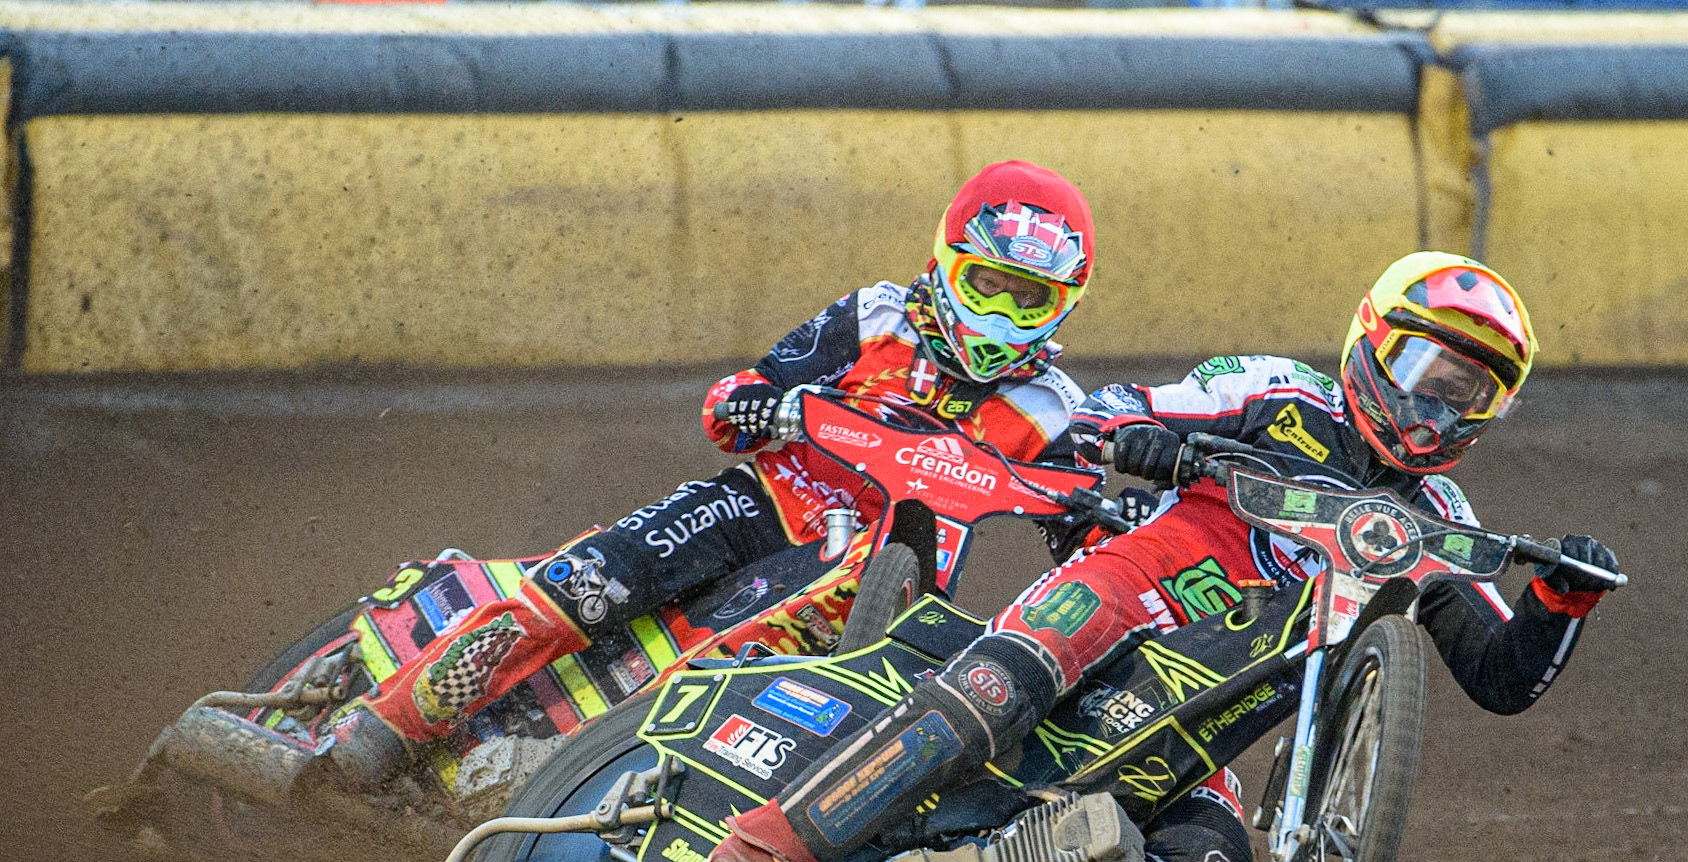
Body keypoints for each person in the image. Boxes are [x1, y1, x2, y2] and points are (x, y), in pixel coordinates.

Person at [688, 251, 1622, 862]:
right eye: (1425, 371)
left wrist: (1559, 601)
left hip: (1203, 711)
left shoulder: (1437, 524)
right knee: (997, 692)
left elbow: (1500, 677)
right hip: (1124, 597)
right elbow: (1105, 413)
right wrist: (1149, 444)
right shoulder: (1277, 392)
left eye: (1467, 392)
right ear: (1371, 342)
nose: (1434, 408)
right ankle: (759, 858)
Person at [310, 161, 1099, 791]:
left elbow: (1087, 549)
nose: (1002, 314)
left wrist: (1110, 546)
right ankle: (386, 728)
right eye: (987, 284)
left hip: (878, 581)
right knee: (588, 582)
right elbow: (734, 400)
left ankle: (580, 784)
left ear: (1062, 304)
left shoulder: (1057, 410)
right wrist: (764, 406)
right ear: (947, 264)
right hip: (762, 503)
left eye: (1027, 297)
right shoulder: (877, 316)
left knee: (728, 680)